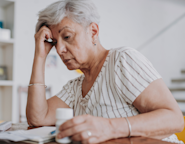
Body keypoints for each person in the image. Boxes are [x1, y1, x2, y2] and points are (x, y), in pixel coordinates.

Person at [26, 0, 184, 143]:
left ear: (93, 32)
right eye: (54, 42)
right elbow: (38, 118)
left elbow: (175, 119)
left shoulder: (122, 61)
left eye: (67, 36)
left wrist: (110, 127)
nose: (59, 49)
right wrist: (40, 56)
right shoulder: (75, 87)